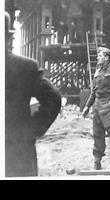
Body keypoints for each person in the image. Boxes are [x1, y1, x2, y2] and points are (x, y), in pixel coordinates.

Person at [5, 12, 61, 177]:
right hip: (17, 149)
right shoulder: (24, 67)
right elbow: (53, 98)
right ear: (8, 39)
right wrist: (32, 129)